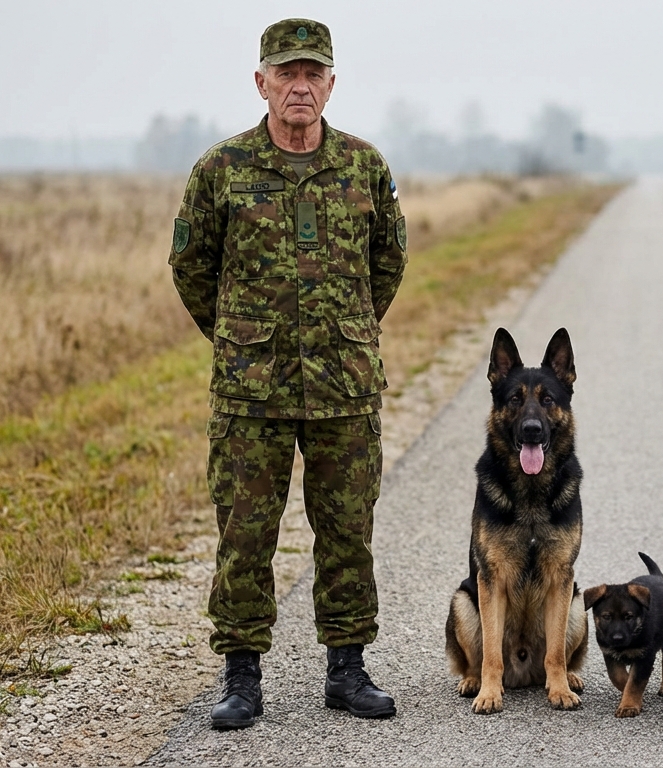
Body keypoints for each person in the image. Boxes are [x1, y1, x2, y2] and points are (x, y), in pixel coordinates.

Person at [167, 17, 407, 730]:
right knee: (244, 535)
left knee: (346, 530)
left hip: (344, 388)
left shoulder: (363, 167)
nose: (299, 86)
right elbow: (191, 266)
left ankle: (348, 669)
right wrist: (239, 339)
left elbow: (387, 262)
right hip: (252, 392)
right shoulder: (223, 170)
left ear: (330, 84)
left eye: (312, 73)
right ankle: (242, 677)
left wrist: (349, 331)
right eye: (286, 72)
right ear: (261, 82)